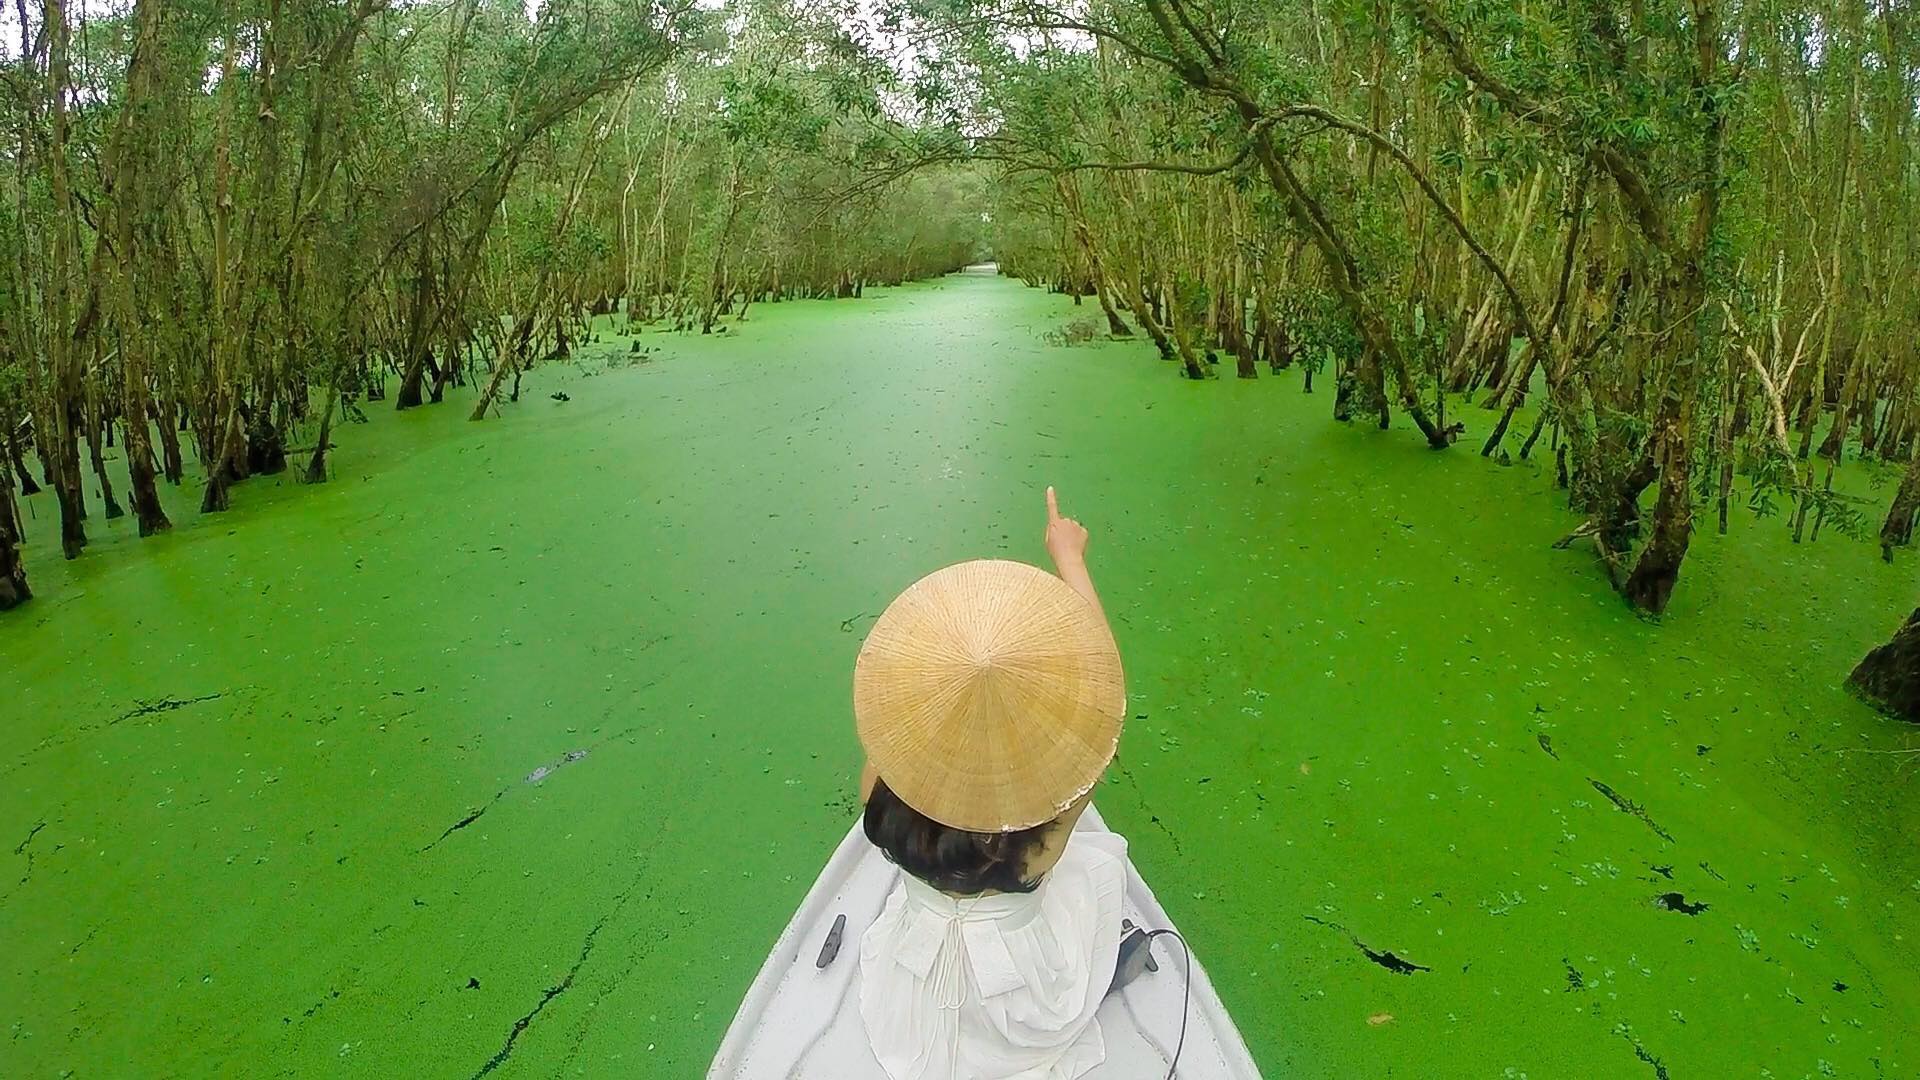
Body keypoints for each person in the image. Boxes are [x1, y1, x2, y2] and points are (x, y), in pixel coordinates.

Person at [851, 486, 1130, 1080]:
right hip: (1022, 999)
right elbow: (1106, 694)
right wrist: (1070, 559)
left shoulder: (880, 780)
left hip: (914, 991)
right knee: (1098, 867)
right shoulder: (1046, 832)